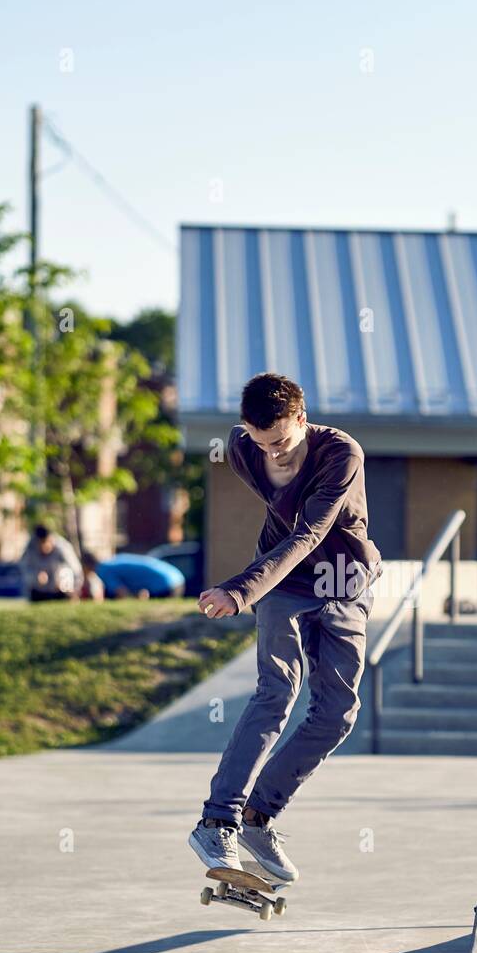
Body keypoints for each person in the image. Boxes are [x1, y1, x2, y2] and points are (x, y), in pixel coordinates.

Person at [189, 373, 382, 886]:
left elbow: (310, 531)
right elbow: (276, 511)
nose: (272, 454)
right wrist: (256, 587)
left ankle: (259, 816)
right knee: (277, 691)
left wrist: (239, 589)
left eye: (280, 442)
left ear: (301, 418)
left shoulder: (341, 453)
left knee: (338, 713)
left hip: (342, 581)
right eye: (260, 442)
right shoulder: (241, 448)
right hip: (283, 585)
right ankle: (218, 821)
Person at [19, 525, 82, 602]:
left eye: (45, 541)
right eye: (40, 543)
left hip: (60, 590)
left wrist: (74, 590)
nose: (43, 546)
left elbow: (76, 569)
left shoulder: (62, 547)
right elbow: (24, 568)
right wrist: (35, 577)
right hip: (38, 592)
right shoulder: (31, 547)